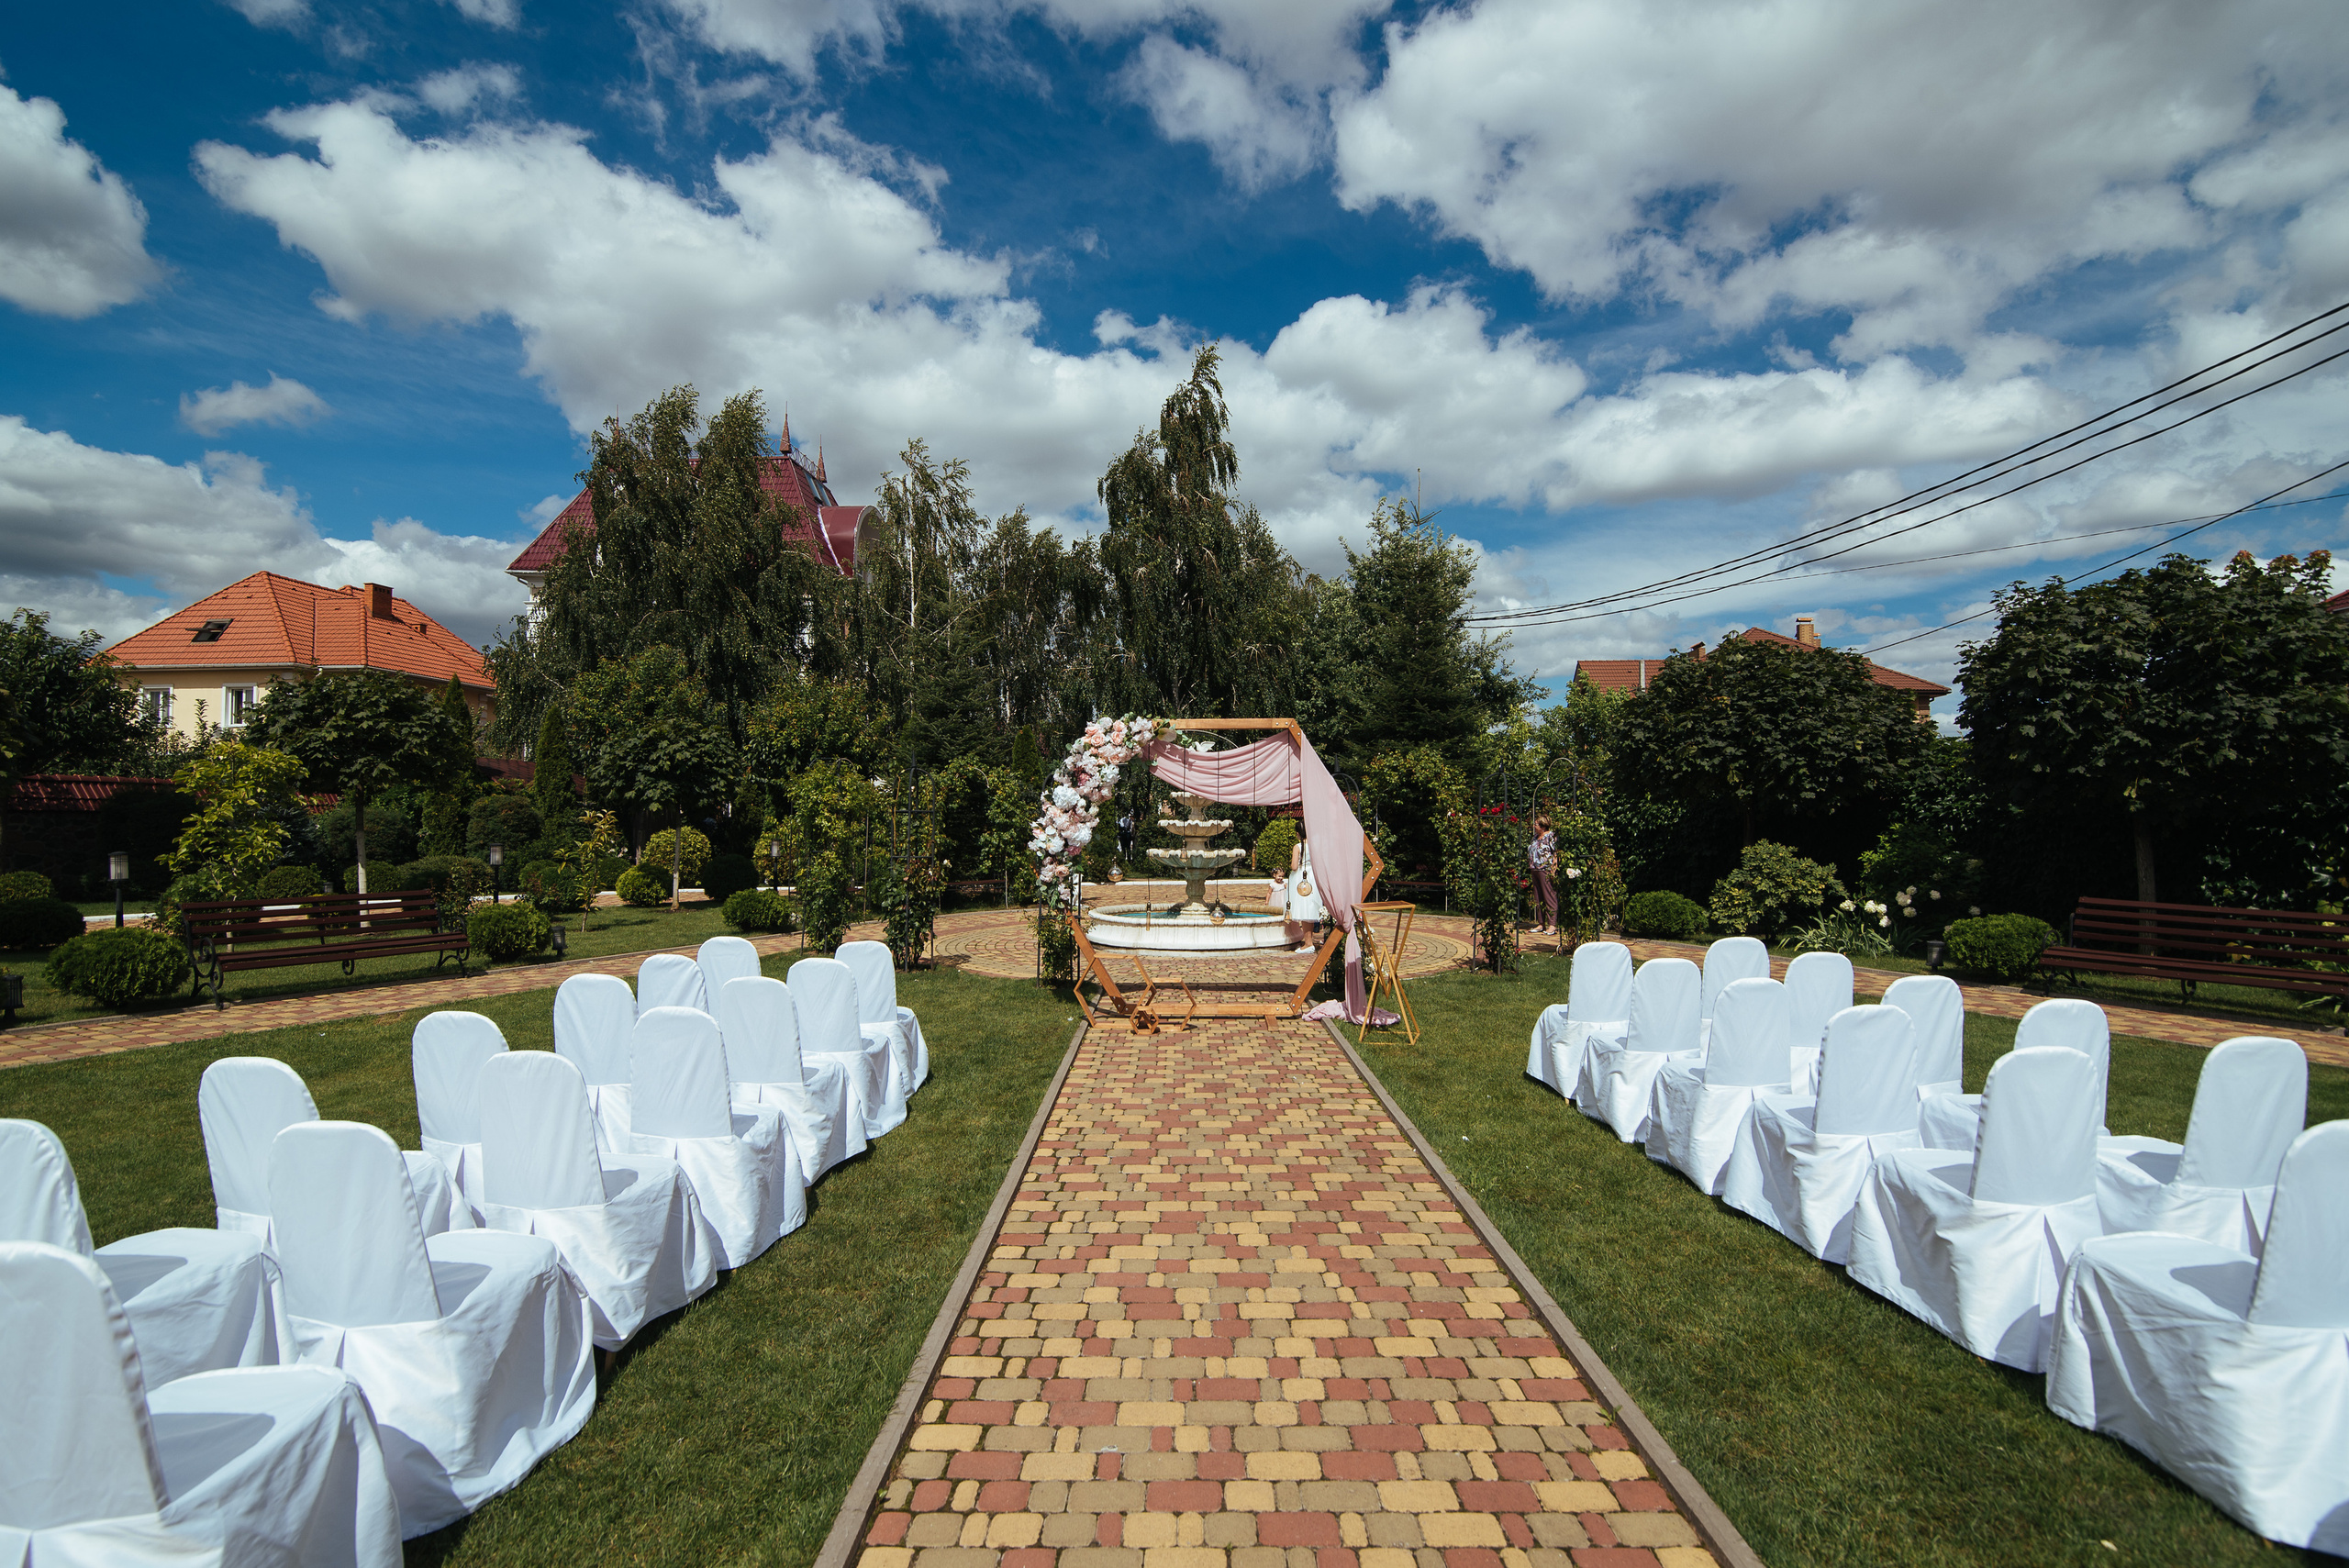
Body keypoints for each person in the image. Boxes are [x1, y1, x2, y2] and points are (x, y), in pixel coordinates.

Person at [1287, 838, 1326, 951]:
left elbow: (1294, 866)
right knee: (1311, 909)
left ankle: (1308, 943)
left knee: (1304, 909)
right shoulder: (1317, 844)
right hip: (1313, 877)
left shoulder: (1298, 847)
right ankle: (1310, 941)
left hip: (1302, 879)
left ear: (1298, 833)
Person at [1529, 814, 1559, 935]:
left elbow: (1555, 853)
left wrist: (1554, 869)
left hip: (1545, 869)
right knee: (1538, 897)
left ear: (1543, 826)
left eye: (1536, 824)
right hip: (1534, 869)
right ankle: (1541, 923)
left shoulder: (1550, 836)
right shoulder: (1535, 837)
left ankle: (1552, 925)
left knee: (1549, 896)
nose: (1534, 825)